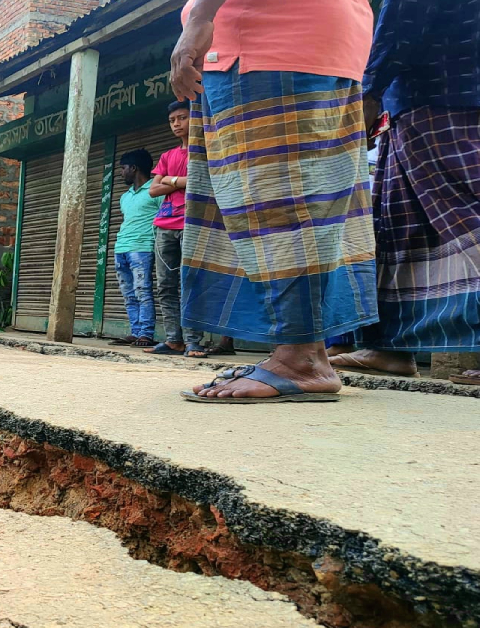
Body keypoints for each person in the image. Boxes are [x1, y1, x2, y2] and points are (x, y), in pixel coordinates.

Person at [171, 0, 378, 402]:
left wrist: (199, 17)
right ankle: (299, 351)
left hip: (266, 45)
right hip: (307, 43)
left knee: (276, 205)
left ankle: (301, 359)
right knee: (303, 202)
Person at [329, 0, 480, 386]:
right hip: (426, 101)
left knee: (475, 220)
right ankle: (389, 347)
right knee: (401, 231)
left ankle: (389, 347)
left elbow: (400, 26)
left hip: (444, 96)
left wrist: (367, 94)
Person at [144, 101, 207, 358]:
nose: (176, 124)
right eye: (172, 120)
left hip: (193, 224)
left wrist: (168, 181)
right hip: (164, 226)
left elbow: (200, 182)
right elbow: (152, 190)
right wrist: (180, 181)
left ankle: (194, 341)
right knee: (165, 286)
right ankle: (173, 340)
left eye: (182, 118)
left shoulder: (205, 152)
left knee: (191, 283)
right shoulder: (167, 156)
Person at [109, 149, 160, 348]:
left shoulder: (155, 190)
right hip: (121, 248)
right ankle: (136, 331)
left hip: (142, 248)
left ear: (134, 168)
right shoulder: (125, 196)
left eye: (123, 168)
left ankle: (146, 334)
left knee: (142, 291)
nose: (122, 173)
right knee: (128, 293)